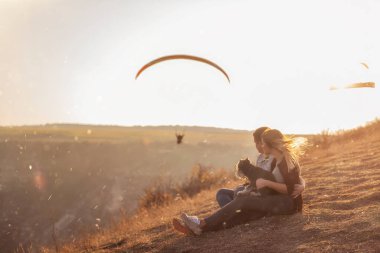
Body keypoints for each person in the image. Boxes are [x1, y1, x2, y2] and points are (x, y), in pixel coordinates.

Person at [174, 128, 306, 235]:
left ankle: (200, 223)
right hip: (276, 200)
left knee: (242, 201)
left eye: (263, 143)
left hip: (288, 204)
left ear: (270, 144)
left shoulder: (285, 162)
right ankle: (200, 228)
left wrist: (267, 183)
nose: (261, 145)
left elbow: (290, 189)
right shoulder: (275, 161)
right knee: (243, 204)